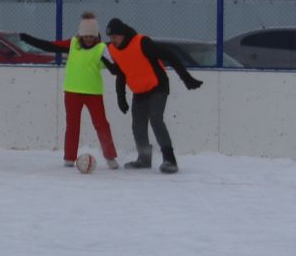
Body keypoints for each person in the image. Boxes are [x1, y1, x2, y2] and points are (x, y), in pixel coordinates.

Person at [19, 14, 120, 168]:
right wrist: (28, 39)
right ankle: (69, 158)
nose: (88, 39)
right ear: (80, 34)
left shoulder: (101, 48)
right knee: (72, 125)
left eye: (91, 36)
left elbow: (115, 70)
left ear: (96, 35)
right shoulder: (73, 43)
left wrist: (112, 60)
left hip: (93, 93)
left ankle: (110, 157)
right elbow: (49, 46)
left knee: (101, 124)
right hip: (72, 92)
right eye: (85, 35)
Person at [104, 17, 203, 173]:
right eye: (110, 37)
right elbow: (121, 73)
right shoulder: (112, 49)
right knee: (138, 124)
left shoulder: (142, 42)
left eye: (115, 36)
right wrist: (120, 96)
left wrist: (186, 78)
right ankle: (144, 159)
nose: (112, 40)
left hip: (158, 86)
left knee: (156, 119)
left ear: (122, 34)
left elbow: (170, 55)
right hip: (139, 90)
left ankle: (170, 160)